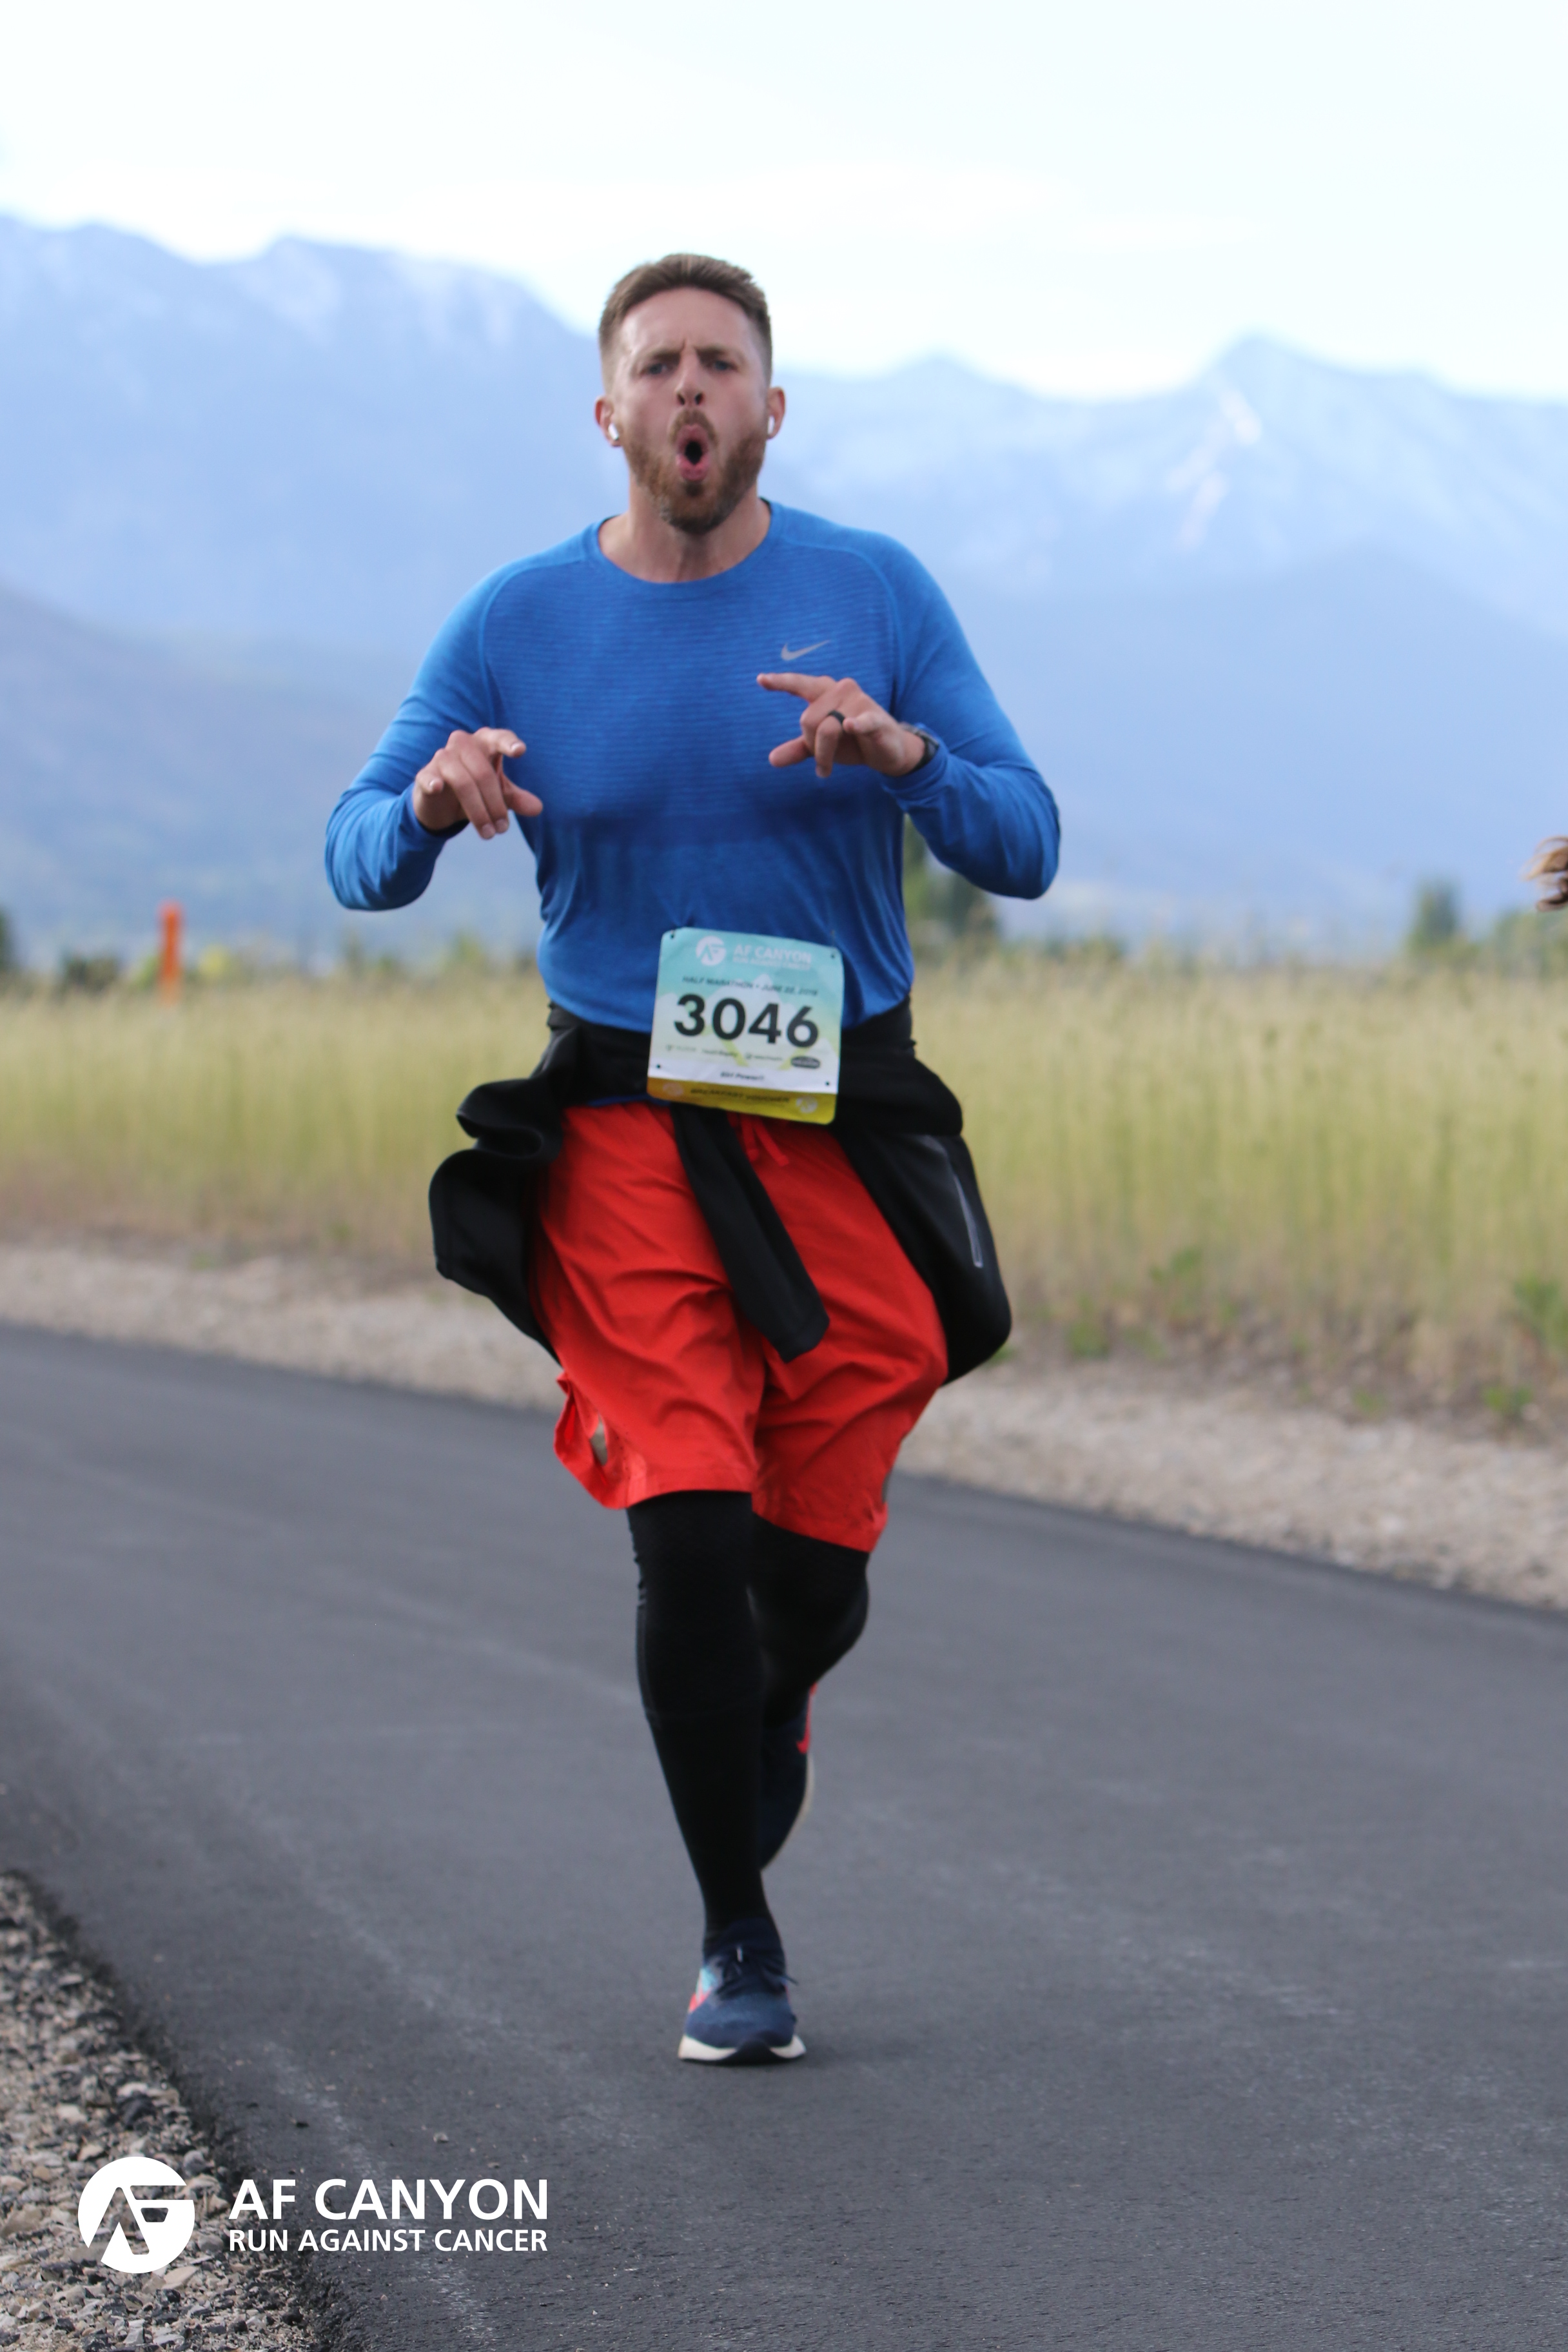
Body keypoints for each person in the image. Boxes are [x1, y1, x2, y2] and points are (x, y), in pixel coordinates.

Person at [325, 253, 1059, 2064]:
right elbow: (351, 850)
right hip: (626, 1126)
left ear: (771, 409)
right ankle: (740, 1937)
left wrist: (905, 755)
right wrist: (425, 805)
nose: (690, 392)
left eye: (722, 364)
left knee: (803, 1576)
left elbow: (1027, 838)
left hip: (836, 1119)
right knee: (689, 1522)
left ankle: (775, 1691)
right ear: (610, 414)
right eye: (657, 366)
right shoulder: (516, 619)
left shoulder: (874, 593)